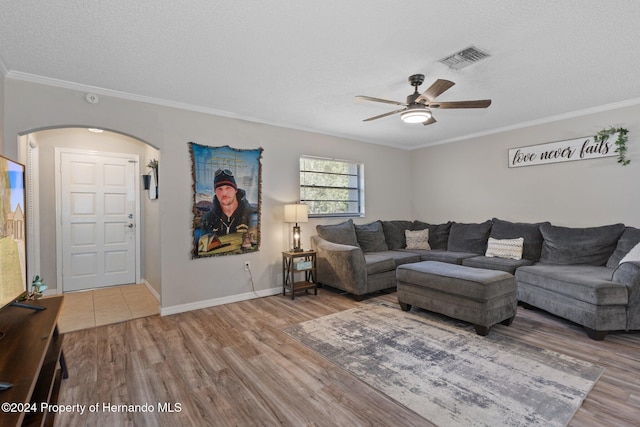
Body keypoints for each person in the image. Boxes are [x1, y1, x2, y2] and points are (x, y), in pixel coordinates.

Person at [199, 169, 254, 236]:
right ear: (215, 192)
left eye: (228, 188)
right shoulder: (207, 219)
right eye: (220, 189)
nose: (224, 193)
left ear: (235, 190)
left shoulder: (251, 215)